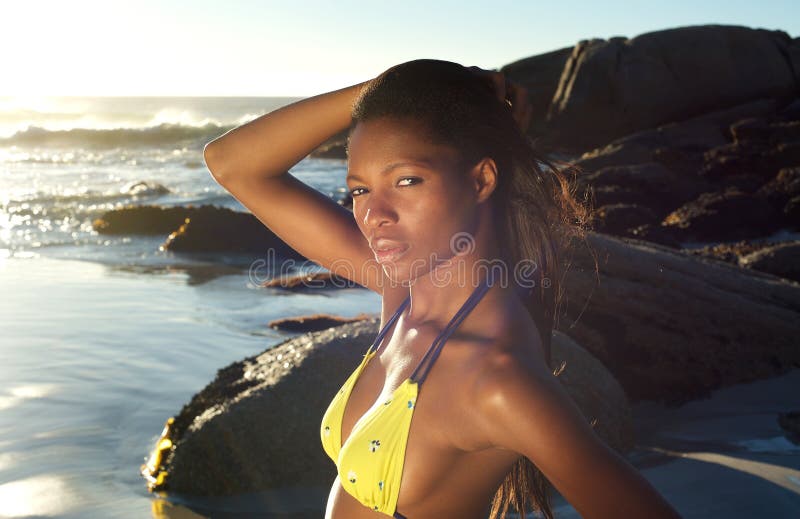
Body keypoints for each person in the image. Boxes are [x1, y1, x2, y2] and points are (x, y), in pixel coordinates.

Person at [203, 59, 681, 519]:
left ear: (481, 180)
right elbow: (231, 163)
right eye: (360, 189)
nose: (375, 215)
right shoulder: (402, 291)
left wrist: (403, 91)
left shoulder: (498, 379)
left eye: (407, 180)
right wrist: (389, 87)